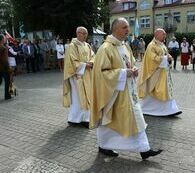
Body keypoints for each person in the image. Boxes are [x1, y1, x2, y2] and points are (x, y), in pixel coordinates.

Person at [90, 18, 162, 160]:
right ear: (115, 29)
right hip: (113, 94)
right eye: (124, 27)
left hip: (129, 91)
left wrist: (133, 69)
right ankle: (104, 145)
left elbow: (131, 62)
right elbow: (101, 74)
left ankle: (144, 149)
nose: (127, 30)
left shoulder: (125, 46)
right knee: (109, 119)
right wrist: (123, 73)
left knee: (136, 118)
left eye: (127, 27)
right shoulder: (105, 49)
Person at [137, 28, 182, 117]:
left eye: (164, 34)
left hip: (163, 72)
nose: (165, 36)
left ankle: (169, 109)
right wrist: (165, 58)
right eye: (163, 34)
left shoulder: (162, 45)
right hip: (155, 73)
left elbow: (164, 55)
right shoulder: (151, 46)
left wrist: (168, 57)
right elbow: (152, 59)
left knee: (165, 90)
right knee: (157, 90)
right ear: (157, 35)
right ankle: (149, 109)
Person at [63, 26, 94, 127]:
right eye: (83, 33)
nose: (85, 35)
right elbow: (71, 62)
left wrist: (92, 63)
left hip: (87, 75)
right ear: (77, 34)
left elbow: (94, 56)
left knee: (87, 95)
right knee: (78, 97)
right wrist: (85, 65)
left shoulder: (87, 45)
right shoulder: (72, 46)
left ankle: (83, 118)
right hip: (77, 76)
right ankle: (77, 119)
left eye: (86, 33)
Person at [0, 34, 11, 100]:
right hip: (4, 68)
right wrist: (9, 68)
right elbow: (5, 60)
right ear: (2, 40)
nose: (5, 39)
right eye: (4, 38)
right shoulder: (4, 48)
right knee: (7, 81)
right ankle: (7, 95)